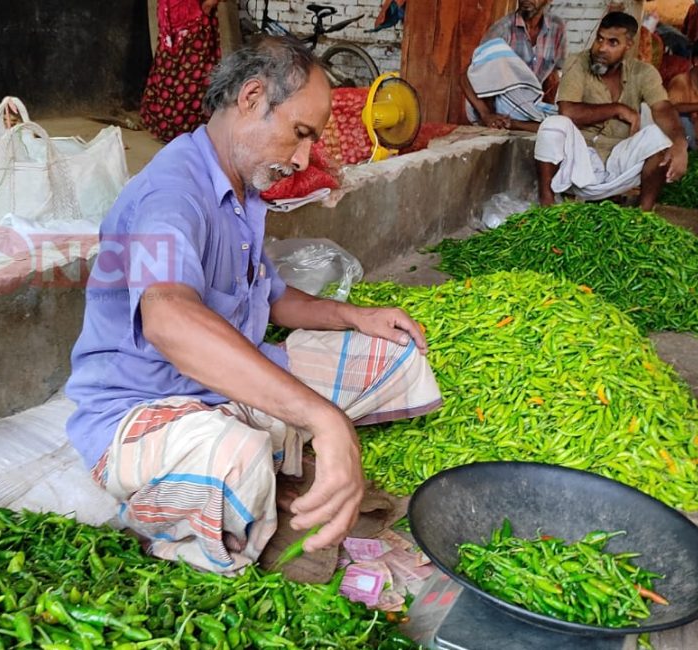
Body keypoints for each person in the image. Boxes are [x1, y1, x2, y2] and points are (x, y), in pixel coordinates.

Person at [65, 36, 443, 574]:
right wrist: (323, 419)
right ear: (251, 97)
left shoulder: (241, 193)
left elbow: (274, 298)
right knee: (239, 460)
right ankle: (175, 519)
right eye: (300, 133)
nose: (303, 158)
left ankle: (271, 463)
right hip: (149, 407)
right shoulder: (171, 194)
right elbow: (168, 318)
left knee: (396, 355)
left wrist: (356, 317)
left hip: (229, 383)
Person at [534, 12, 688, 211]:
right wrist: (617, 109)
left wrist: (680, 144)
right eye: (599, 39)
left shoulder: (642, 72)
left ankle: (643, 214)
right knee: (553, 125)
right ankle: (546, 206)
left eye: (612, 43)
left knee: (658, 136)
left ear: (628, 45)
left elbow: (662, 108)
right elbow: (568, 112)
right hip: (579, 162)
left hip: (619, 163)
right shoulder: (578, 62)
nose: (601, 48)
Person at [460, 0, 566, 132]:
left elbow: (553, 76)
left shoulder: (557, 28)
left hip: (530, 109)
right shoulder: (502, 30)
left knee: (563, 125)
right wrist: (487, 115)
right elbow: (466, 75)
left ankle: (520, 123)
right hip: (499, 110)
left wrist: (542, 112)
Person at [140, 0, 224, 142]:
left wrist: (210, 2)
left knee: (191, 79)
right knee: (166, 73)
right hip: (170, 19)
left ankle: (186, 133)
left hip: (195, 22)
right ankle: (169, 130)